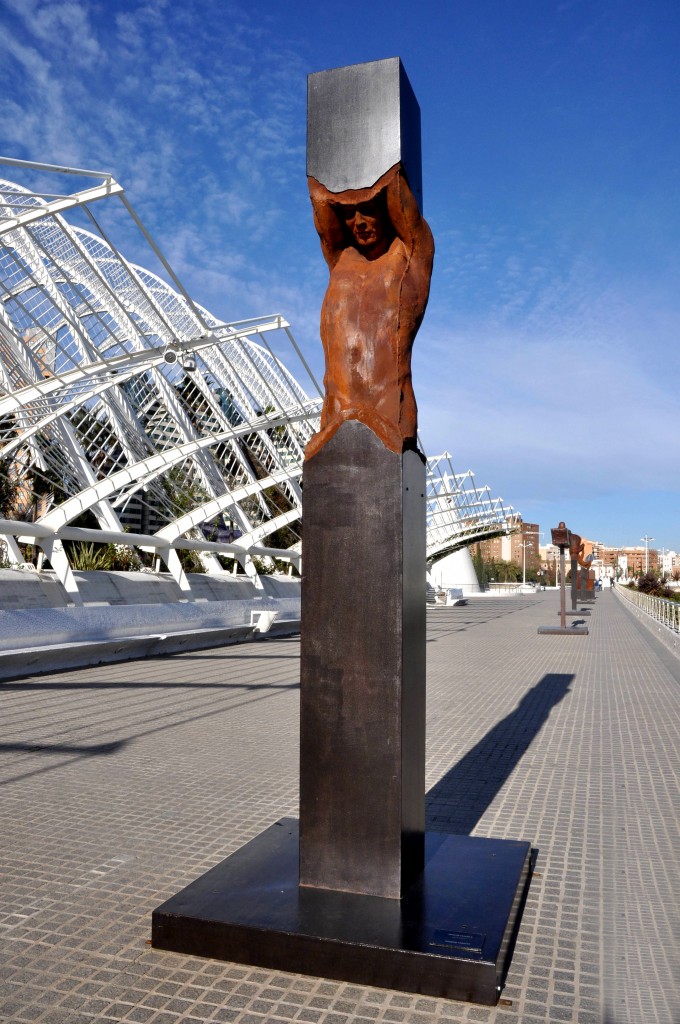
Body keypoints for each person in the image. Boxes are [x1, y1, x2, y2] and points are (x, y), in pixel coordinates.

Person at [306, 163, 434, 459]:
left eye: (369, 210)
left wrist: (379, 153)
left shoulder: (409, 256)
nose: (359, 222)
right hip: (335, 422)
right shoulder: (341, 260)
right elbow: (319, 197)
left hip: (389, 419)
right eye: (350, 215)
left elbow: (397, 184)